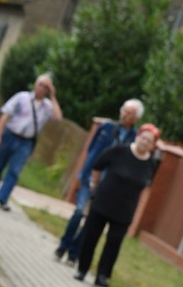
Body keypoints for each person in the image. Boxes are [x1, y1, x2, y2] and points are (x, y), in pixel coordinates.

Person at [55, 99, 143, 264]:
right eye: (124, 110)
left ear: (136, 118)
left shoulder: (135, 138)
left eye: (129, 113)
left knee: (90, 221)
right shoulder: (106, 129)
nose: (125, 115)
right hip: (90, 178)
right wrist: (83, 174)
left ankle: (74, 253)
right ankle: (63, 246)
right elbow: (91, 150)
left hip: (108, 186)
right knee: (79, 212)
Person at [73, 123, 161, 287]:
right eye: (143, 138)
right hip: (103, 201)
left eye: (149, 141)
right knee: (91, 237)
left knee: (114, 243)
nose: (144, 143)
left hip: (125, 209)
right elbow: (98, 165)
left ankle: (102, 275)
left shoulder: (150, 164)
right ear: (137, 137)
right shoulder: (120, 151)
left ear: (152, 146)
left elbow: (146, 184)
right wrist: (94, 185)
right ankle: (82, 269)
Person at [0, 73, 63, 211]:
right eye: (40, 84)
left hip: (26, 142)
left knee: (14, 171)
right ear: (35, 84)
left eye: (46, 87)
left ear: (48, 90)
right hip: (9, 135)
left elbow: (58, 118)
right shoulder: (22, 97)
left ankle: (2, 198)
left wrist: (53, 96)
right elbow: (5, 116)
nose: (42, 88)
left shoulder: (48, 106)